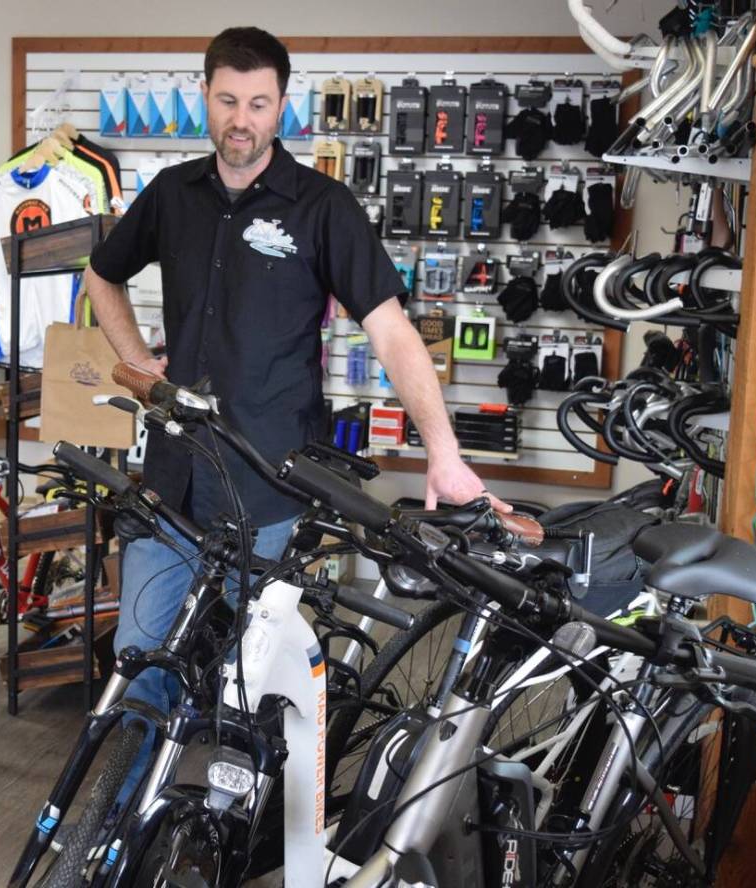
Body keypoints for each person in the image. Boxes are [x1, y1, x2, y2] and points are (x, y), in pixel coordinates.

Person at [83, 26, 510, 804]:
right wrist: (137, 360)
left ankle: (212, 827)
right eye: (226, 100)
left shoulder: (323, 207)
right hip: (173, 478)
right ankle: (114, 832)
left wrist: (445, 454)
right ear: (203, 97)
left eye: (258, 102)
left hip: (269, 486)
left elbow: (391, 331)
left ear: (283, 106)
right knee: (142, 666)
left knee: (245, 685)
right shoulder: (172, 193)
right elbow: (101, 273)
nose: (240, 119)